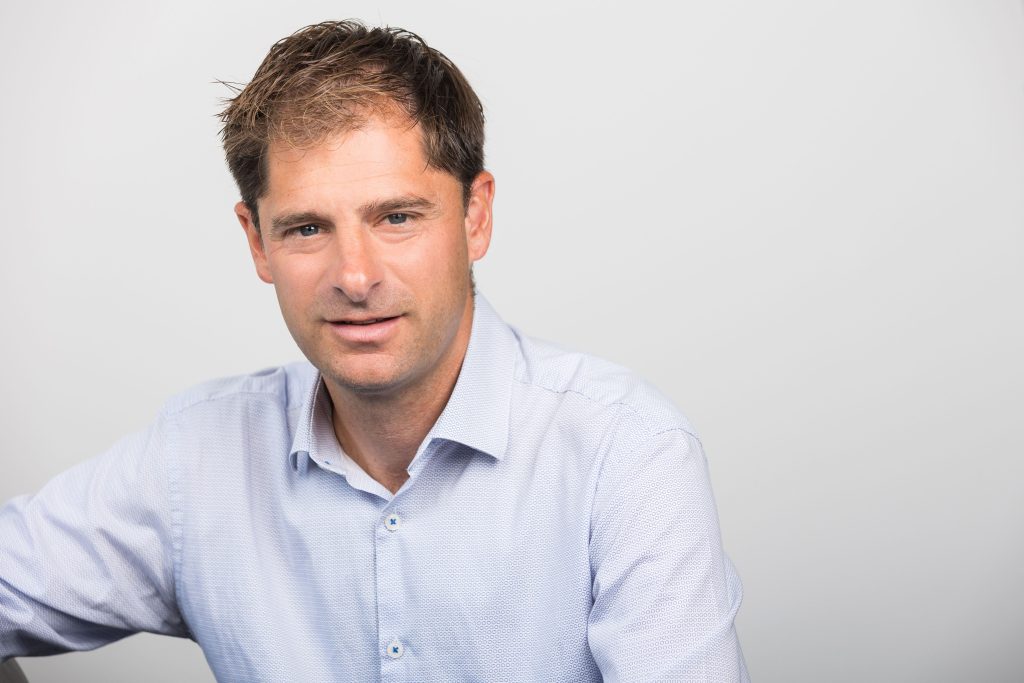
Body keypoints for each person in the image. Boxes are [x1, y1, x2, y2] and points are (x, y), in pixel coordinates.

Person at [0, 20, 748, 681]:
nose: (355, 278)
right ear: (257, 241)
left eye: (396, 217)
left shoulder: (625, 452)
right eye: (307, 228)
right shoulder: (196, 457)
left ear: (476, 215)